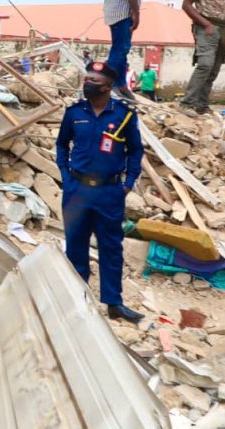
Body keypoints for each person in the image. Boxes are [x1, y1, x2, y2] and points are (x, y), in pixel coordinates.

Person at [56, 60, 144, 324]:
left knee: (111, 248)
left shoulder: (123, 114)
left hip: (109, 192)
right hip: (77, 190)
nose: (87, 84)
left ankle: (114, 303)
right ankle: (77, 300)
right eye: (87, 80)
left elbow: (135, 150)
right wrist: (65, 174)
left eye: (94, 81)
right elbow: (62, 145)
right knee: (76, 247)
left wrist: (128, 183)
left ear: (107, 87)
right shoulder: (74, 112)